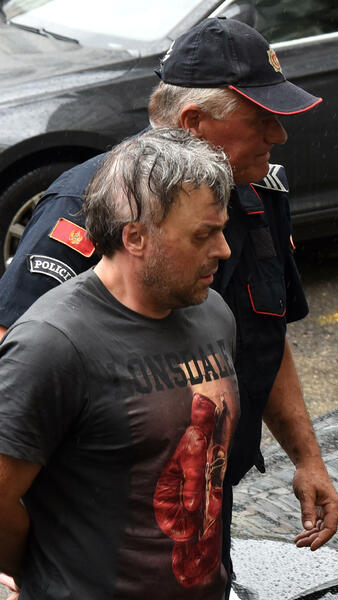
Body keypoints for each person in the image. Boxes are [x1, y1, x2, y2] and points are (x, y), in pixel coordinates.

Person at [0, 12, 338, 566]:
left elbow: (265, 334)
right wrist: (18, 568)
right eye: (261, 120)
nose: (278, 136)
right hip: (94, 531)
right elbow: (15, 373)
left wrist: (308, 458)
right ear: (193, 123)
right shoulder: (93, 205)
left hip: (203, 505)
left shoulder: (257, 195)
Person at [0, 127, 241, 599]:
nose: (223, 249)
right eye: (203, 235)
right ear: (136, 237)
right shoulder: (54, 343)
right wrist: (46, 576)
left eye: (222, 229)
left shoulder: (214, 313)